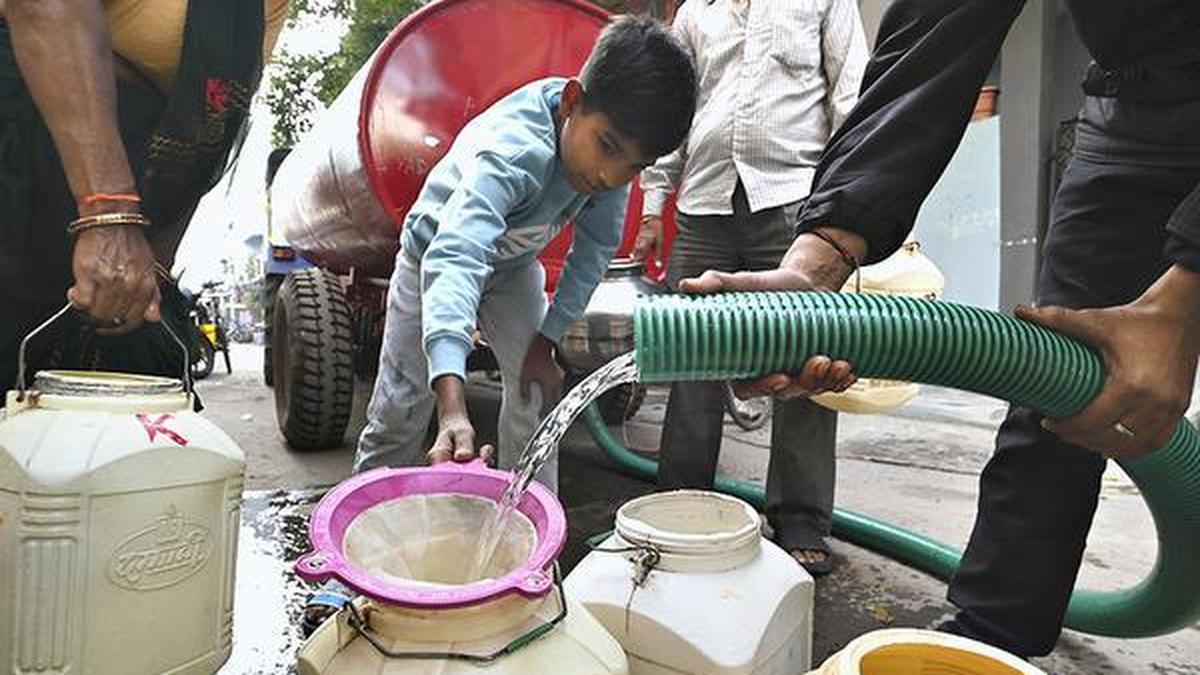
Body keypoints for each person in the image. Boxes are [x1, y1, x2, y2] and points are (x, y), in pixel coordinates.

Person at [679, 0, 1200, 660]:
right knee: (1061, 378)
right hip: (1136, 101)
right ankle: (988, 641)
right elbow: (935, 24)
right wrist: (821, 257)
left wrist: (1184, 302)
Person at [301, 15, 698, 633]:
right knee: (402, 405)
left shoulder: (610, 169)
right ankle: (349, 566)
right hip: (434, 254)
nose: (610, 175)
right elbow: (457, 258)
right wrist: (452, 404)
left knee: (538, 394)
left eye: (633, 165)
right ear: (572, 102)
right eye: (607, 146)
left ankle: (532, 554)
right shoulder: (512, 150)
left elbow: (593, 254)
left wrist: (547, 341)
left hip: (512, 269)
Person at [633, 0, 866, 575]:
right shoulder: (695, 13)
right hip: (703, 204)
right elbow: (673, 109)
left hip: (795, 202)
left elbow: (851, 97)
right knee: (691, 358)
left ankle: (801, 517)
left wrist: (848, 208)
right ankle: (679, 501)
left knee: (809, 360)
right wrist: (654, 205)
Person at [0, 0, 287, 399]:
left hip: (137, 191)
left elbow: (215, 119)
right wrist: (107, 213)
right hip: (26, 153)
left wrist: (154, 274)